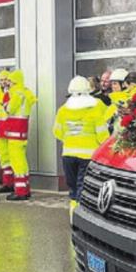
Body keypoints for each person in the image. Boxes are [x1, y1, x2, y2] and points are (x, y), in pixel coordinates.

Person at [55, 77, 110, 214]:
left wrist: (70, 139)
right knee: (83, 187)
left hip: (68, 155)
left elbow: (57, 132)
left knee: (73, 187)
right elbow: (102, 135)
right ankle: (80, 216)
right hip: (87, 156)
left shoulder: (63, 109)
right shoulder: (96, 107)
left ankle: (73, 212)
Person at [1, 70, 37, 201]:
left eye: (10, 81)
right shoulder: (26, 93)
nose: (8, 83)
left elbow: (9, 109)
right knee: (22, 162)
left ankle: (20, 191)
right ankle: (25, 189)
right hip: (22, 133)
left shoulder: (16, 94)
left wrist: (5, 100)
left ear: (14, 81)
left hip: (14, 133)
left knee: (16, 163)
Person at [0, 70, 14, 194]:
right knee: (4, 157)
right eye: (1, 80)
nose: (3, 82)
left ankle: (14, 183)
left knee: (14, 157)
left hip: (11, 127)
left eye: (5, 79)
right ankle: (7, 183)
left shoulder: (14, 91)